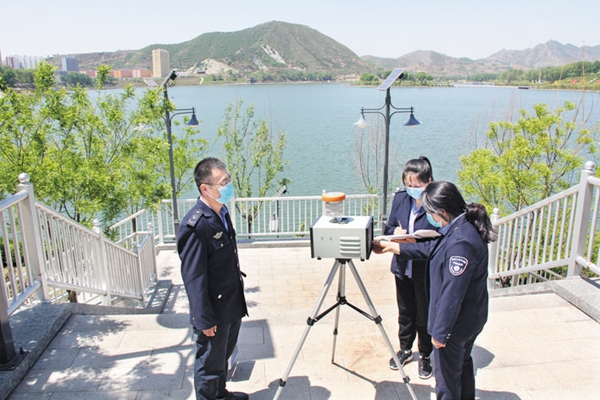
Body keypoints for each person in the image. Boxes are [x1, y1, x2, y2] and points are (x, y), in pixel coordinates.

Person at [377, 181, 497, 400]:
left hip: (456, 325)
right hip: (471, 318)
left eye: (429, 212)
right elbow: (433, 248)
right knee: (462, 366)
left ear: (442, 211)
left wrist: (441, 333)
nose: (429, 216)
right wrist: (393, 247)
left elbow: (453, 292)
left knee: (446, 382)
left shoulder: (461, 242)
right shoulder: (461, 226)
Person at [177, 157, 249, 400]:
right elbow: (193, 277)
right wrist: (203, 319)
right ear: (205, 188)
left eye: (228, 180)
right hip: (213, 310)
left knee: (222, 356)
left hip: (231, 302)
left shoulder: (222, 212)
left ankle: (221, 394)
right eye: (222, 183)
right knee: (209, 364)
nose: (228, 186)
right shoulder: (196, 225)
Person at [385, 157, 436, 379]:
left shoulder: (436, 203)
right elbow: (388, 228)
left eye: (417, 185)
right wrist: (395, 233)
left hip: (425, 269)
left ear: (428, 182)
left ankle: (425, 354)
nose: (412, 189)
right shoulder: (400, 199)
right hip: (403, 266)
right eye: (408, 184)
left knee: (424, 314)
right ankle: (405, 349)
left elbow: (438, 240)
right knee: (405, 311)